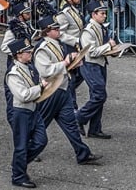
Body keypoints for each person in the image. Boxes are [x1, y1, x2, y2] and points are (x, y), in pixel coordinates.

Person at [33, 16, 100, 165]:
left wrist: (73, 62)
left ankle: (82, 153)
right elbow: (46, 71)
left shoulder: (57, 43)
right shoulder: (42, 48)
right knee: (41, 124)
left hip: (62, 89)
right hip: (50, 92)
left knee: (70, 124)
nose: (59, 30)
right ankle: (28, 150)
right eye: (55, 29)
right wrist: (66, 62)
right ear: (47, 32)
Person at [5, 38, 48, 189]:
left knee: (41, 141)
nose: (30, 53)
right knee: (21, 146)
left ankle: (18, 164)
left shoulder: (29, 67)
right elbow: (22, 95)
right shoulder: (13, 73)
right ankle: (18, 176)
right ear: (18, 55)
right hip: (21, 111)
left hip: (33, 109)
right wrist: (40, 87)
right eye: (27, 52)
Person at [77, 0, 117, 139]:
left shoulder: (101, 27)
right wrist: (109, 47)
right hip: (90, 64)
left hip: (100, 64)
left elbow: (103, 46)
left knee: (98, 97)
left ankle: (95, 129)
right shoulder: (88, 30)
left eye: (105, 13)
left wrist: (113, 50)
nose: (105, 16)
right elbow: (91, 52)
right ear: (94, 15)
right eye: (102, 13)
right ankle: (79, 118)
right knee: (100, 95)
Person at [1, 2, 35, 122]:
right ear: (20, 15)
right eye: (27, 13)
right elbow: (4, 47)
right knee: (13, 94)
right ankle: (13, 120)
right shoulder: (12, 30)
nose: (29, 14)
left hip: (25, 61)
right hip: (14, 62)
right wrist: (18, 52)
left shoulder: (25, 26)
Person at [55, 0, 86, 109]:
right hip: (69, 47)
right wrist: (75, 41)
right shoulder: (64, 13)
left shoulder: (75, 10)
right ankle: (72, 105)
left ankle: (65, 93)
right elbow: (60, 33)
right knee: (71, 77)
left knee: (81, 74)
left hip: (78, 47)